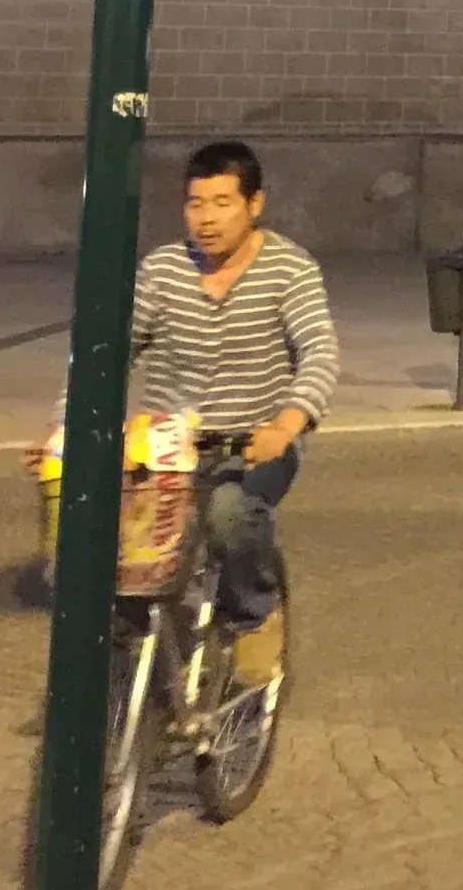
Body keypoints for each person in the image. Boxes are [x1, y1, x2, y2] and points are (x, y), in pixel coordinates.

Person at [37, 139, 339, 688]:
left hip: (255, 442)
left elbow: (319, 353)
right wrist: (67, 428)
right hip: (168, 446)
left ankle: (254, 616)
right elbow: (109, 353)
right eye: (196, 203)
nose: (206, 218)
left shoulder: (291, 270)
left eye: (222, 202)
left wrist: (285, 424)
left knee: (228, 513)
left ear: (254, 204)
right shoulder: (163, 269)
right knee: (127, 554)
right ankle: (143, 667)